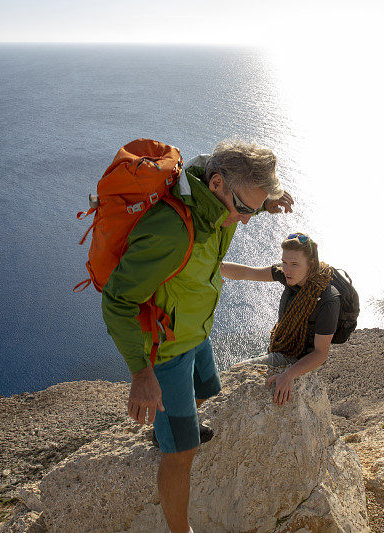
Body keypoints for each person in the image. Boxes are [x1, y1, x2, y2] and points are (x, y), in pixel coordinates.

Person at [101, 140, 293, 533]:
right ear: (218, 184)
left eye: (255, 210)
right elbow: (116, 300)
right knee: (183, 452)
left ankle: (168, 427)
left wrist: (263, 201)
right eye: (245, 209)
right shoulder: (171, 231)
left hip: (194, 330)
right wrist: (141, 374)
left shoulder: (217, 204)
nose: (247, 220)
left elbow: (235, 215)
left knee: (208, 385)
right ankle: (178, 521)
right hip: (166, 349)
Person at [221, 233, 339, 405]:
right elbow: (248, 272)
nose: (287, 270)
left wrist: (289, 374)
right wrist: (213, 266)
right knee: (235, 372)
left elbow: (321, 354)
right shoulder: (290, 275)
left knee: (235, 373)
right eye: (284, 262)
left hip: (297, 360)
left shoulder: (328, 300)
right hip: (283, 350)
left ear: (311, 264)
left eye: (294, 264)